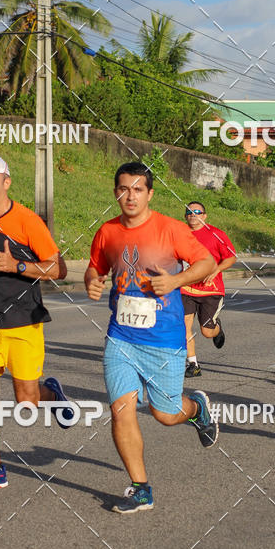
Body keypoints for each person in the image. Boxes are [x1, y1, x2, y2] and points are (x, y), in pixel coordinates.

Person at [85, 162, 217, 514]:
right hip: (121, 337)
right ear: (115, 192)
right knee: (120, 411)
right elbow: (95, 267)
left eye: (138, 189)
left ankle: (197, 408)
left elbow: (205, 262)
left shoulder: (170, 229)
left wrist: (175, 281)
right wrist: (93, 281)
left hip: (163, 338)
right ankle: (141, 488)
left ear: (150, 194)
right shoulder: (107, 231)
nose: (130, 196)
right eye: (123, 189)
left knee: (165, 414)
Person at [0, 154, 70, 491]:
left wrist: (18, 266)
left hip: (23, 320)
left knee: (26, 401)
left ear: (6, 182)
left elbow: (58, 269)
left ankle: (51, 394)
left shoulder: (27, 221)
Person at [181, 201, 236, 377]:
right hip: (186, 289)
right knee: (183, 326)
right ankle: (193, 364)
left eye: (197, 212)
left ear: (204, 216)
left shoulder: (216, 234)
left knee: (206, 331)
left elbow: (231, 257)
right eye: (189, 212)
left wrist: (216, 270)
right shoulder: (180, 234)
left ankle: (217, 328)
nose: (193, 214)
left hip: (210, 290)